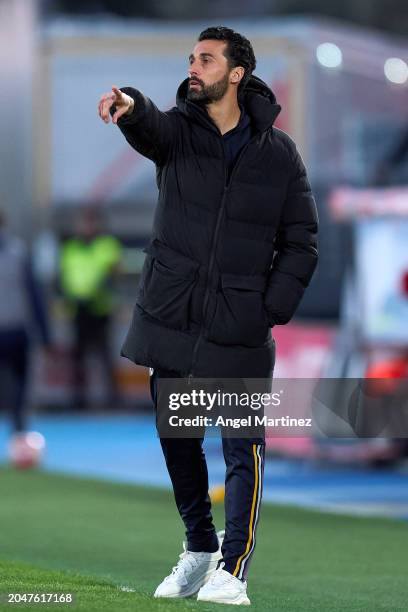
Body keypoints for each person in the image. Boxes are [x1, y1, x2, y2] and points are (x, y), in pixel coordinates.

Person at [98, 26, 318, 605]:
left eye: (206, 59)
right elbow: (149, 126)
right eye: (192, 58)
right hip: (172, 318)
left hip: (240, 327)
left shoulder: (279, 153)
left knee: (243, 446)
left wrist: (269, 308)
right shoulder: (178, 132)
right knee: (178, 438)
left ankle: (233, 569)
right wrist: (129, 107)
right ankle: (199, 548)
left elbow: (302, 241)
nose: (193, 67)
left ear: (237, 72)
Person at [59, 209, 122, 410]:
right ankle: (78, 399)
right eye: (82, 223)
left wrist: (94, 292)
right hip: (78, 309)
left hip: (100, 309)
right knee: (78, 357)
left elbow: (112, 273)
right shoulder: (70, 248)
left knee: (105, 356)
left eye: (89, 223)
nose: (85, 228)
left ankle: (112, 399)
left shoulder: (107, 245)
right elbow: (65, 276)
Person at [0, 210, 51, 435]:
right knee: (19, 381)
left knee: (20, 380)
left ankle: (19, 425)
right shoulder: (18, 252)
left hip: (16, 329)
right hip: (15, 327)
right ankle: (18, 426)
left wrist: (44, 333)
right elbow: (34, 296)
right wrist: (44, 333)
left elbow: (34, 295)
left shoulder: (19, 253)